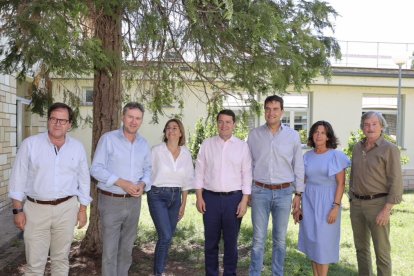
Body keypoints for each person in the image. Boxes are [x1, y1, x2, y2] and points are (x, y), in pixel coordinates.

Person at [9, 102, 92, 275]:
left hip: (66, 209)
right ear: (48, 121)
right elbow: (18, 178)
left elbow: (84, 180)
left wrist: (83, 209)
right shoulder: (30, 144)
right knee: (34, 264)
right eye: (53, 119)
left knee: (61, 260)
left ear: (69, 125)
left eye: (63, 120)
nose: (57, 123)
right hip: (36, 210)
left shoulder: (77, 148)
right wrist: (17, 211)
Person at [90, 102, 151, 276]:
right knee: (109, 250)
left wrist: (142, 184)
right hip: (111, 201)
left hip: (134, 202)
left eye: (138, 118)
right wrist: (121, 182)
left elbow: (148, 170)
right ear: (123, 117)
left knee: (126, 249)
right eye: (130, 117)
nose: (134, 121)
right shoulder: (108, 139)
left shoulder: (143, 144)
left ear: (141, 121)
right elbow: (96, 169)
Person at [248, 95, 304, 276]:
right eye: (268, 109)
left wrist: (298, 194)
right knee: (258, 240)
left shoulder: (293, 136)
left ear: (282, 112)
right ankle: (255, 273)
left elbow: (299, 166)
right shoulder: (254, 135)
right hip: (259, 191)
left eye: (275, 109)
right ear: (264, 111)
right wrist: (246, 192)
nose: (271, 113)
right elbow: (248, 165)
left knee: (280, 240)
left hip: (284, 193)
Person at [195, 109, 252, 276]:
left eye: (228, 122)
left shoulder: (242, 147)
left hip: (234, 200)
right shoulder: (207, 144)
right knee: (210, 243)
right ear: (217, 123)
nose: (224, 125)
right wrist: (199, 196)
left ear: (234, 124)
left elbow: (247, 174)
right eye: (221, 121)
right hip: (210, 199)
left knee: (231, 243)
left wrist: (244, 200)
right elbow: (199, 171)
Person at [349, 111, 403, 276]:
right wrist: (351, 198)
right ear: (362, 127)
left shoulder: (390, 149)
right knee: (361, 249)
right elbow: (353, 175)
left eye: (374, 124)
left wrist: (386, 210)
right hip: (356, 205)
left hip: (378, 205)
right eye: (366, 124)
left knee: (382, 252)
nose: (370, 128)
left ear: (381, 127)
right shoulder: (358, 148)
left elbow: (396, 182)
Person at [296, 121, 350, 276]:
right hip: (309, 202)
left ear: (328, 137)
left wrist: (336, 206)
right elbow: (303, 181)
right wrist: (298, 205)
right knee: (312, 243)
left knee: (322, 244)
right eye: (316, 132)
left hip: (328, 204)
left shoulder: (336, 156)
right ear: (312, 135)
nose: (318, 135)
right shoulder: (307, 156)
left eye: (322, 133)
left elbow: (341, 184)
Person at [148, 118, 194, 275]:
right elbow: (147, 173)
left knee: (166, 238)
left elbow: (187, 180)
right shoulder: (156, 151)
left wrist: (183, 203)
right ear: (165, 132)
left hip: (176, 197)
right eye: (168, 128)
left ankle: (159, 270)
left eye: (175, 128)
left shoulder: (186, 153)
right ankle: (158, 272)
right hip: (157, 195)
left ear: (180, 133)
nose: (171, 130)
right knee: (166, 235)